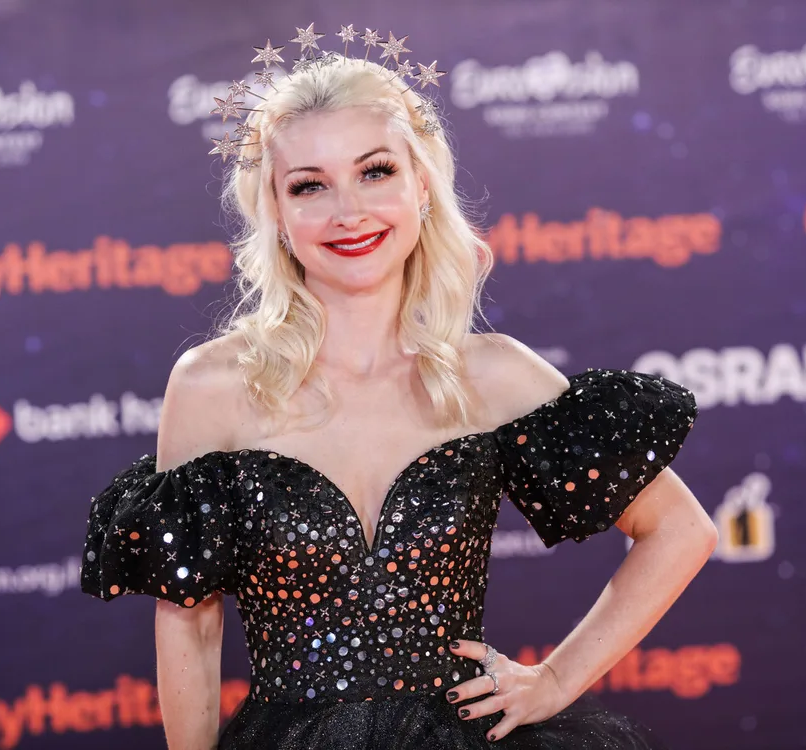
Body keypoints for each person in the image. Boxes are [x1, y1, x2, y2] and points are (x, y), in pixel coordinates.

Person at [81, 25, 718, 750]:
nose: (347, 210)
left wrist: (557, 680)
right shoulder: (211, 386)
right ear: (277, 214)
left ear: (421, 184)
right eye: (310, 185)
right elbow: (189, 625)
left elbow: (681, 528)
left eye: (375, 171)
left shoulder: (492, 373)